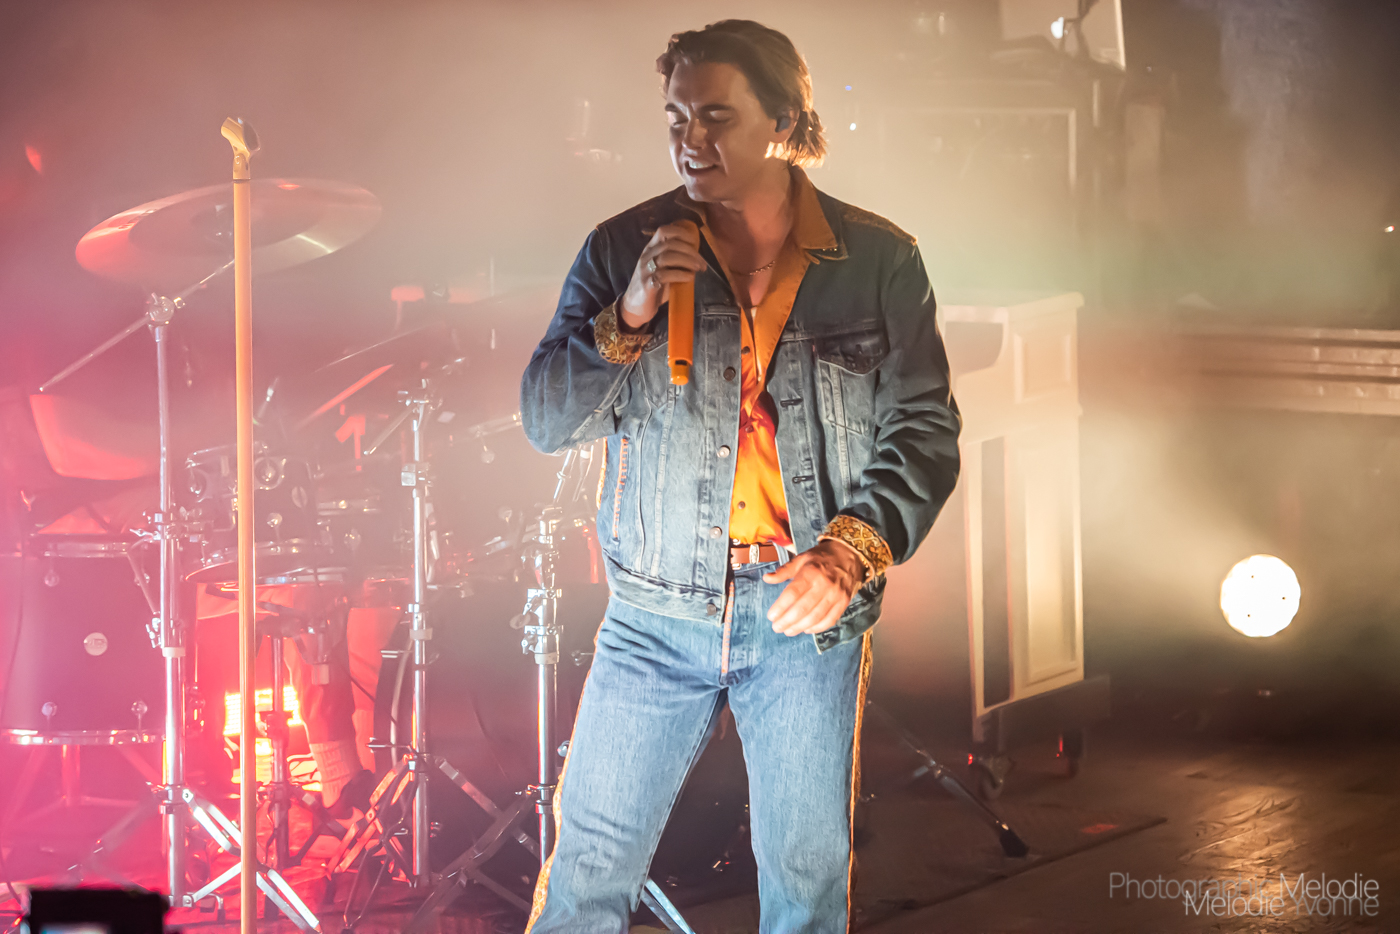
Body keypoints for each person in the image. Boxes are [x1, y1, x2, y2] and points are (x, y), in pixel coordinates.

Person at [519, 20, 961, 933]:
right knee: (588, 873)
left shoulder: (878, 260)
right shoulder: (623, 249)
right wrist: (629, 313)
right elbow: (546, 421)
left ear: (783, 120)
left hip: (804, 616)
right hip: (655, 612)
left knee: (803, 881)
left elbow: (925, 429)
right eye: (676, 117)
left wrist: (850, 552)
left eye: (716, 115)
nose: (690, 139)